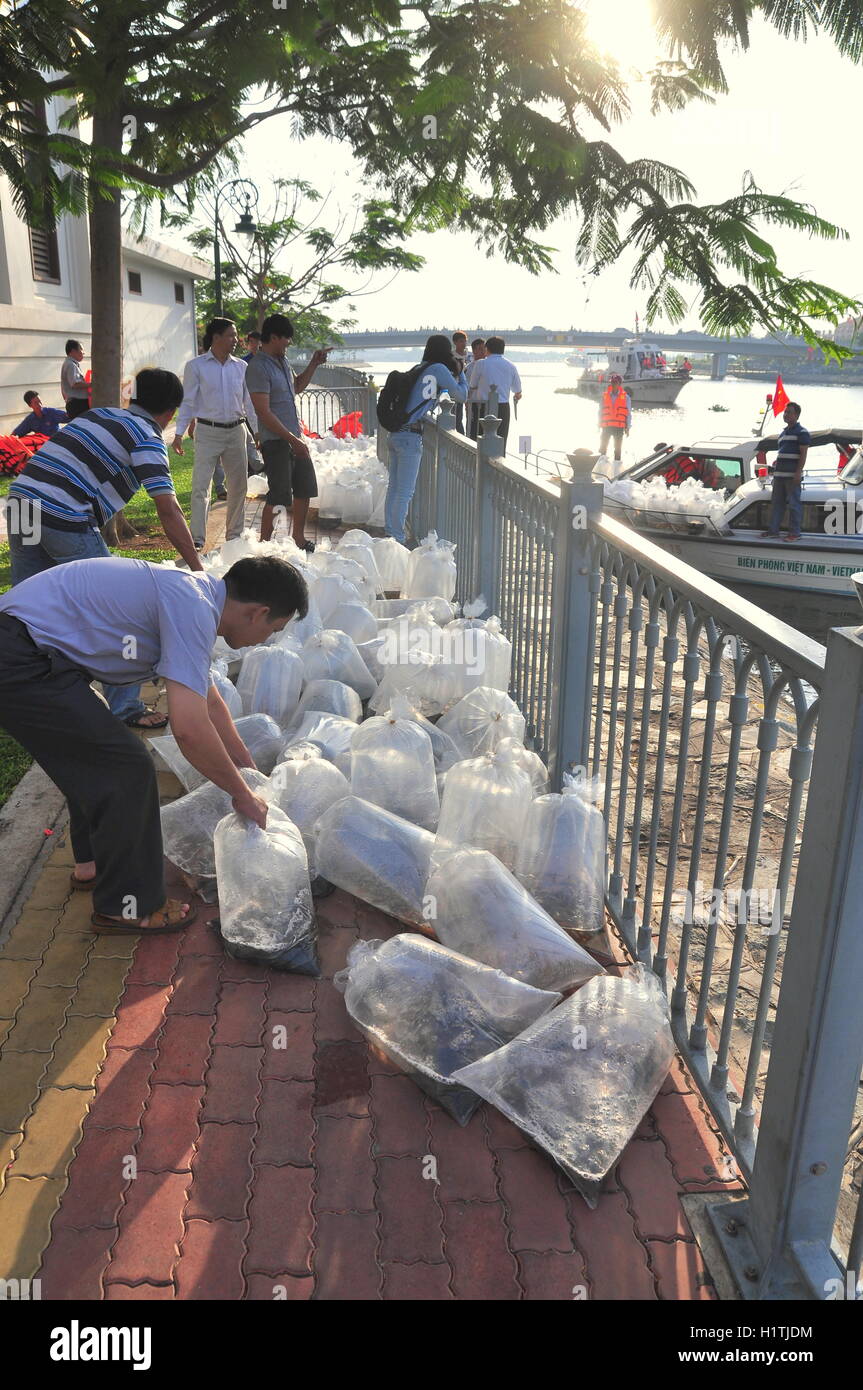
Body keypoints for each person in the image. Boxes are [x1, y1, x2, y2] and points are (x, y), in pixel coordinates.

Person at [0, 554, 307, 933]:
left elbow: (208, 701)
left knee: (97, 755)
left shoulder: (194, 597)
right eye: (274, 629)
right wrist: (241, 794)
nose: (268, 639)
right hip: (20, 657)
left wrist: (243, 761)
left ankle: (93, 863)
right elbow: (189, 730)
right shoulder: (192, 606)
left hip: (30, 653)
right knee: (127, 768)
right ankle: (128, 908)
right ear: (258, 613)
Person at [5, 368, 201, 730]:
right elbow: (168, 508)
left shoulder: (102, 413)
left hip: (22, 505)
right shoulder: (147, 436)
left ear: (133, 398)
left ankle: (24, 688)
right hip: (61, 514)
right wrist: (197, 567)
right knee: (112, 610)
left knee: (25, 606)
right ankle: (127, 709)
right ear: (172, 411)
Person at [172, 318, 258, 551]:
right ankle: (197, 538)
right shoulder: (196, 366)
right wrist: (179, 433)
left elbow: (248, 403)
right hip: (208, 431)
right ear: (216, 337)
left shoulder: (241, 366)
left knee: (238, 486)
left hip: (236, 430)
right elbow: (188, 402)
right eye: (231, 335)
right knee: (201, 486)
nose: (236, 340)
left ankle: (234, 536)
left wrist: (257, 432)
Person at [245, 313, 328, 551]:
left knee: (304, 488)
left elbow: (297, 387)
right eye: (286, 339)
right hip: (278, 440)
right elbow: (263, 411)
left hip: (295, 438)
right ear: (273, 337)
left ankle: (298, 539)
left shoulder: (283, 361)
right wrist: (292, 440)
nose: (289, 344)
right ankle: (265, 544)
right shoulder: (258, 367)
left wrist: (314, 363)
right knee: (279, 494)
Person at [385, 334, 467, 544]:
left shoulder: (419, 368)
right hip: (410, 437)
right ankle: (398, 538)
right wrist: (462, 373)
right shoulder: (438, 369)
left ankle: (390, 533)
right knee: (405, 492)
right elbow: (461, 396)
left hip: (396, 434)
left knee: (394, 488)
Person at [761, 401, 810, 543]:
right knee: (777, 503)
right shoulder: (782, 433)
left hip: (791, 476)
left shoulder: (802, 432)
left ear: (796, 415)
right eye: (785, 412)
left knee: (794, 504)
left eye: (789, 412)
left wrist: (798, 472)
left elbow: (803, 454)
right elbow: (782, 453)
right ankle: (773, 531)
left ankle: (795, 533)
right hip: (779, 476)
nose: (786, 414)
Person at [467, 335, 521, 448]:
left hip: (481, 407)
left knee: (478, 441)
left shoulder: (481, 363)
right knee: (500, 442)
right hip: (503, 407)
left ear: (487, 349)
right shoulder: (511, 366)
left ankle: (476, 464)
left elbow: (472, 385)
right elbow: (517, 391)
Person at [598, 373, 632, 461]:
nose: (613, 384)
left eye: (615, 382)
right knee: (602, 449)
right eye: (612, 382)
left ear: (619, 384)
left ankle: (616, 469)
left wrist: (628, 427)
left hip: (619, 427)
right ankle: (600, 467)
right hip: (606, 426)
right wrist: (598, 424)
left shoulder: (626, 397)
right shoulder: (605, 396)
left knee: (617, 450)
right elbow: (600, 411)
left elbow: (628, 414)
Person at [61, 340, 90, 419]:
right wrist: (92, 384)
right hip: (78, 404)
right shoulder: (71, 365)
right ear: (73, 351)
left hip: (76, 403)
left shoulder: (70, 364)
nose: (83, 352)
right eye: (81, 349)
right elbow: (74, 384)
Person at [466, 338, 487, 437]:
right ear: (474, 350)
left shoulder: (489, 365)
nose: (483, 351)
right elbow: (467, 387)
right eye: (480, 349)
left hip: (487, 404)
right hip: (473, 404)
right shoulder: (469, 368)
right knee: (473, 431)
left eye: (484, 349)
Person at [452, 331, 471, 434]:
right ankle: (459, 438)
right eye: (461, 341)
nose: (464, 344)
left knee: (471, 419)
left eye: (465, 341)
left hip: (471, 391)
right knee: (457, 418)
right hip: (457, 390)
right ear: (455, 342)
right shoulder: (451, 357)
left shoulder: (470, 356)